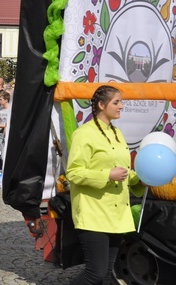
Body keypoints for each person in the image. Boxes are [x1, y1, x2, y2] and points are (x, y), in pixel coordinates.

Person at [66, 85, 144, 285]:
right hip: (93, 213)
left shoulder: (117, 133)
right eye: (116, 102)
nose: (121, 107)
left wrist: (140, 179)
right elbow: (74, 173)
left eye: (121, 102)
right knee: (96, 273)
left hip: (116, 214)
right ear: (101, 105)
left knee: (108, 274)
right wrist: (107, 175)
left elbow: (124, 170)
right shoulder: (84, 134)